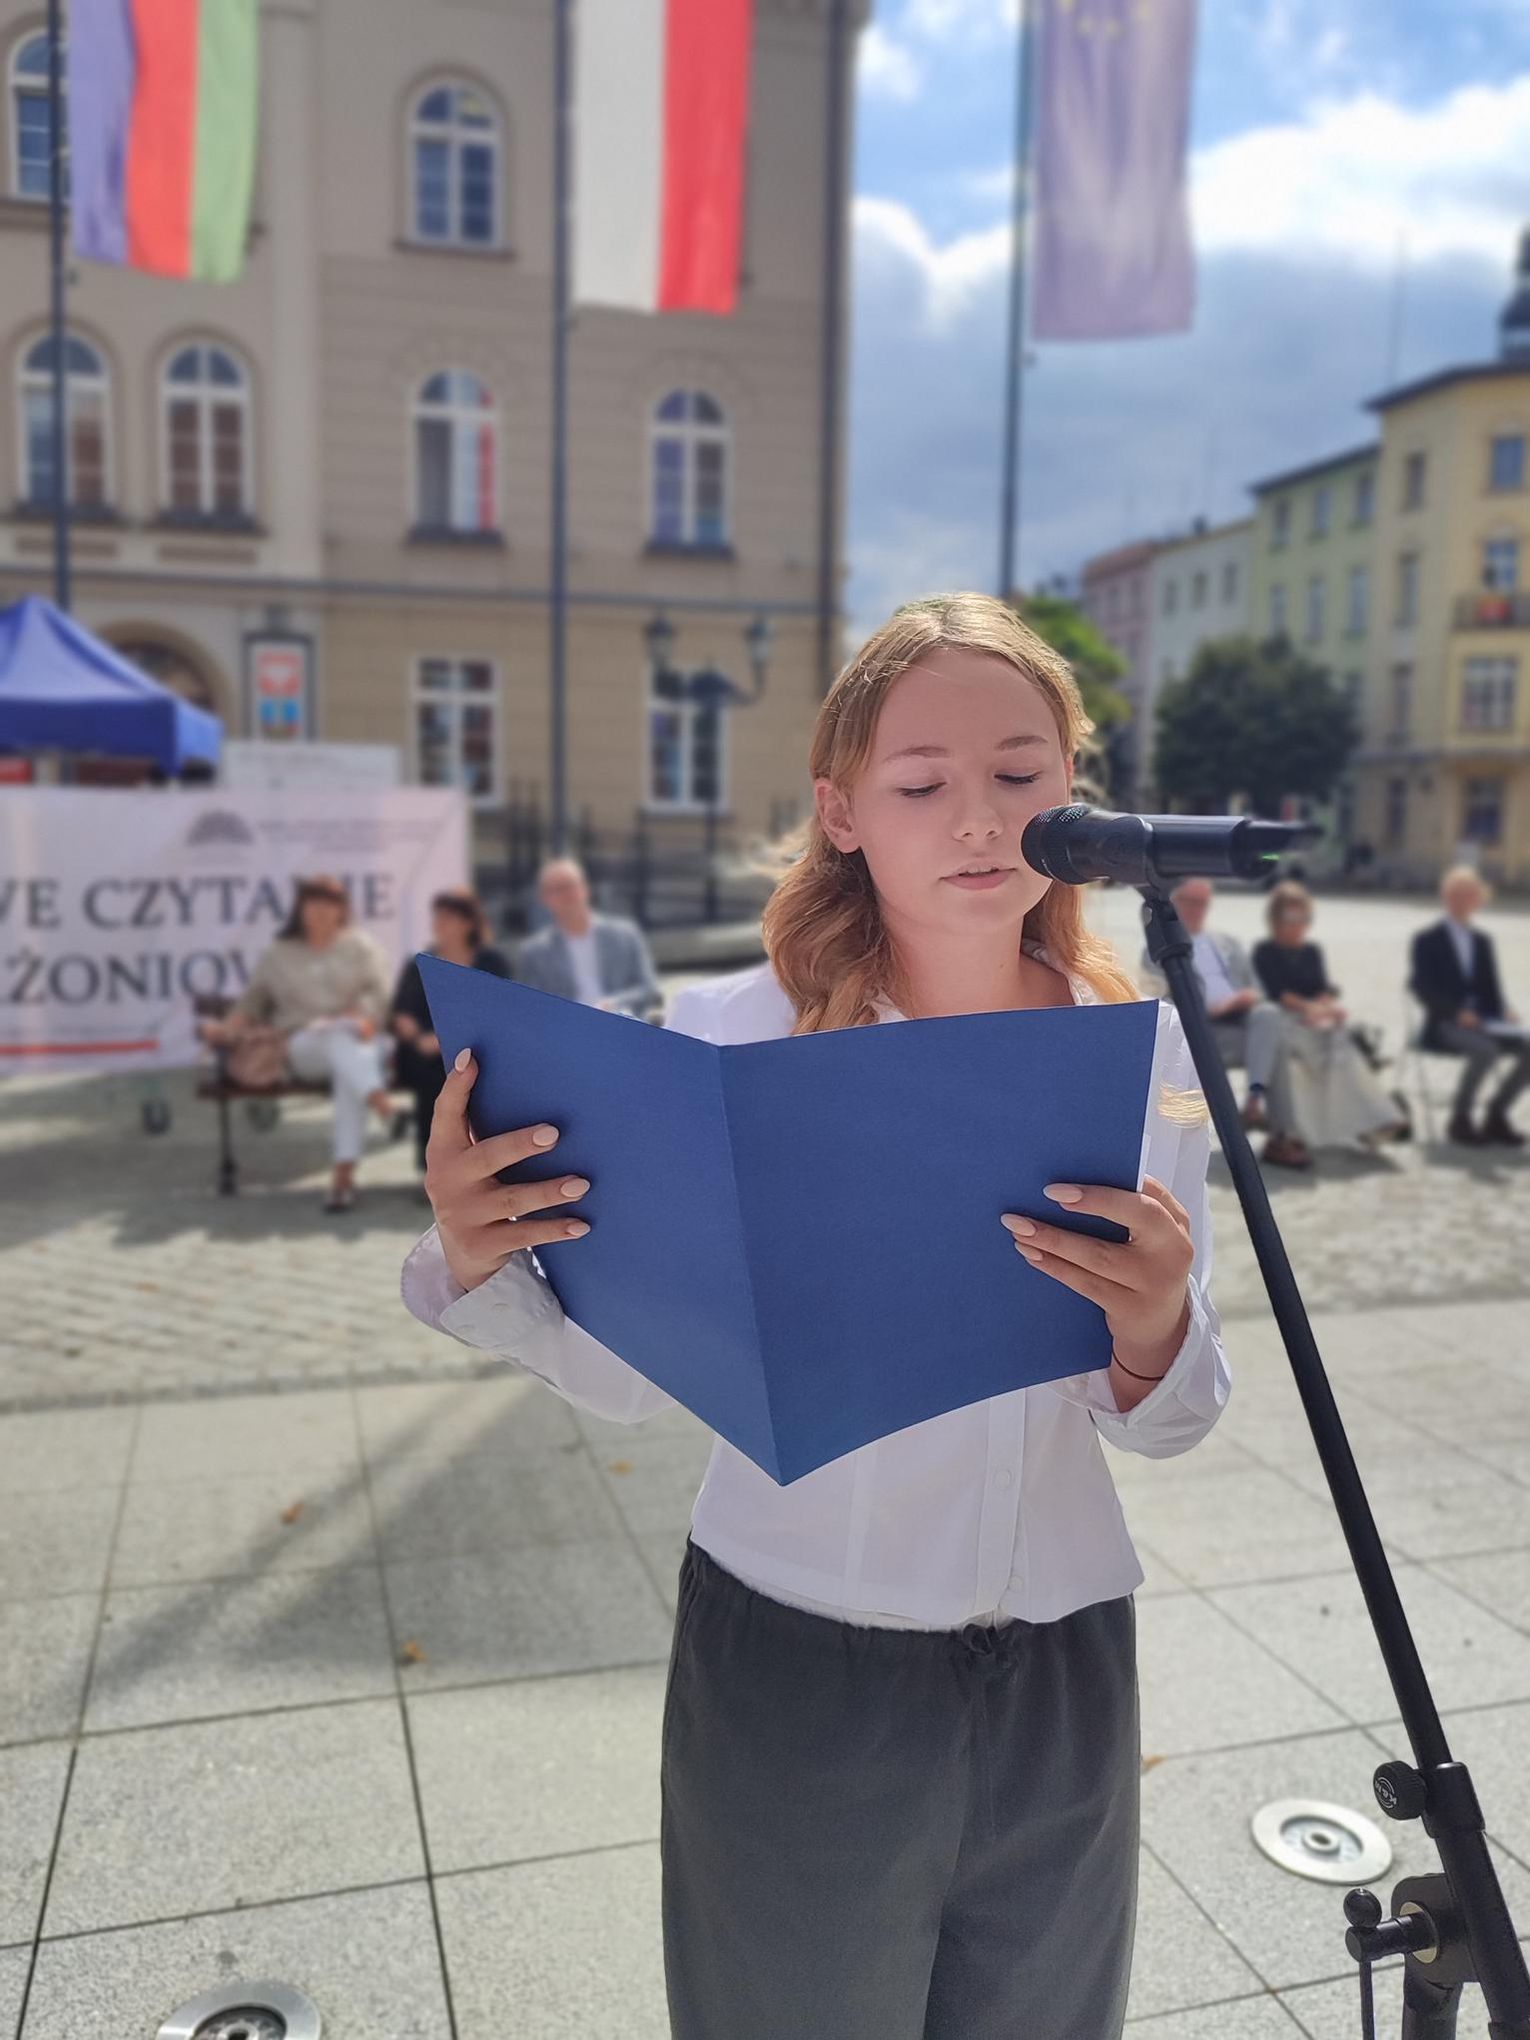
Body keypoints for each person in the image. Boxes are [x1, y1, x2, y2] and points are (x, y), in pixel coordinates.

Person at [402, 593, 1230, 2039]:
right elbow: (629, 1370)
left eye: (1020, 772)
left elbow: (1173, 1420)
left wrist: (1157, 1325)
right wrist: (483, 1253)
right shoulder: (730, 1035)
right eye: (920, 784)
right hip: (797, 1657)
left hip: (1063, 1661)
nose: (979, 817)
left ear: (1073, 792)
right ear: (840, 811)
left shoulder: (1142, 1049)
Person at [207, 875, 393, 1212]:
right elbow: (251, 1003)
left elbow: (380, 995)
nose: (321, 910)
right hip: (304, 1047)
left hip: (362, 1040)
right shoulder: (278, 954)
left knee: (347, 1061)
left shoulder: (360, 946)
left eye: (330, 903)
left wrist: (356, 1016)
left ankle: (342, 1178)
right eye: (313, 902)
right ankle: (382, 1105)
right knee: (336, 1042)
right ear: (300, 908)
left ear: (342, 910)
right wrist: (224, 1029)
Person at [1140, 877, 1308, 1169]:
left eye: (1203, 903)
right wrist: (1218, 1007)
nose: (1197, 909)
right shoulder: (1158, 950)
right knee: (1276, 1042)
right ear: (1175, 902)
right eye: (1190, 902)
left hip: (1241, 1026)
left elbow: (1257, 988)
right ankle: (1280, 1136)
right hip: (1198, 1034)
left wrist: (1247, 999)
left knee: (1270, 1018)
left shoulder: (1226, 943)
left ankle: (1254, 1098)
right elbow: (1163, 1002)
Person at [1253, 882, 1406, 1152]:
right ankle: (1374, 1121)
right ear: (1276, 918)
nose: (1299, 924)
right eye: (1291, 917)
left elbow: (1323, 989)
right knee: (1336, 1050)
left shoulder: (1312, 951)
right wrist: (1311, 1009)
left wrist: (1326, 1008)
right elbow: (1277, 993)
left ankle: (1375, 1120)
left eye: (1304, 917)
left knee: (1340, 1045)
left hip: (1314, 1020)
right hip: (1282, 1020)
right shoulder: (1264, 952)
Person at [389, 890, 511, 1177]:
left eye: (447, 917)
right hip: (426, 1051)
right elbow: (402, 1014)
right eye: (437, 917)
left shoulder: (491, 962)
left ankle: (492, 1164)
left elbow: (503, 1008)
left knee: (479, 1074)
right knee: (433, 1074)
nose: (439, 924)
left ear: (467, 922)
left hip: (482, 1045)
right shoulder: (420, 963)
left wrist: (450, 1040)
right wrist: (419, 1037)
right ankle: (433, 1169)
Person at [1410, 867, 1530, 1147]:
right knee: (1486, 1050)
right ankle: (1460, 1119)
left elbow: (1490, 988)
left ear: (1478, 899)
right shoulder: (1427, 939)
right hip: (1445, 1023)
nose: (1461, 900)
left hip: (1486, 1020)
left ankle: (1496, 1114)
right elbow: (1422, 987)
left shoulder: (1483, 941)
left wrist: (1505, 1009)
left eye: (1468, 895)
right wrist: (1456, 1013)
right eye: (1455, 894)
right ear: (1445, 897)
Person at [514, 858, 662, 1019]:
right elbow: (530, 1006)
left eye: (570, 886)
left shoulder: (626, 935)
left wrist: (614, 1004)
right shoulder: (534, 952)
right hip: (566, 1028)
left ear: (585, 888)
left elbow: (649, 989)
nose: (566, 894)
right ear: (544, 899)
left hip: (620, 1023)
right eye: (556, 889)